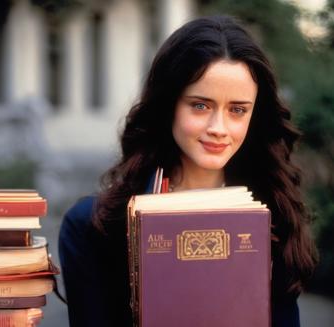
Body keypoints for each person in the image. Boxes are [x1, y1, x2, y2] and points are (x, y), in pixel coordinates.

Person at [59, 15, 318, 327]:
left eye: (237, 110)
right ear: (169, 104)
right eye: (200, 105)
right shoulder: (93, 227)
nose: (219, 128)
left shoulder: (275, 219)